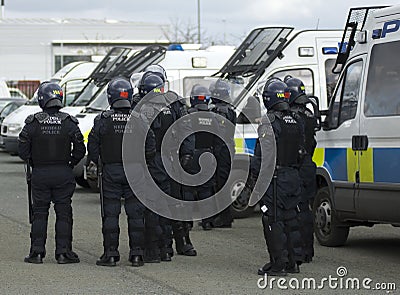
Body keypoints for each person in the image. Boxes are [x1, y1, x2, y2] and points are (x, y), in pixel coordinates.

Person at [87, 77, 156, 267]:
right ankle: (137, 255)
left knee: (110, 214)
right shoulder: (140, 119)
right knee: (136, 215)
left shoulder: (102, 120)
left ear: (110, 96)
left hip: (111, 171)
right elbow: (151, 147)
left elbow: (92, 147)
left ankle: (110, 254)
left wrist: (101, 162)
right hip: (135, 170)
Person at [18, 82, 85, 264]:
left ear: (42, 99)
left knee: (39, 213)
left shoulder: (33, 123)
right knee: (63, 212)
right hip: (63, 172)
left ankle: (37, 253)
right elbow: (80, 148)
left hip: (40, 173)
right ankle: (63, 253)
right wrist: (69, 164)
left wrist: (35, 162)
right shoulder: (68, 122)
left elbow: (22, 150)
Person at [135, 69, 197, 259]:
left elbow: (185, 128)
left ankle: (171, 244)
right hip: (166, 158)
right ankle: (167, 246)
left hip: (162, 159)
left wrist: (186, 152)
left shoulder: (140, 104)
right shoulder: (169, 102)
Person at [251, 79, 304, 276]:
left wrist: (256, 179)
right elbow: (302, 151)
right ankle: (293, 262)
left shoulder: (270, 122)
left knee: (272, 220)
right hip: (292, 176)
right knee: (291, 219)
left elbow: (262, 157)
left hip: (275, 179)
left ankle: (278, 264)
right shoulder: (296, 120)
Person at [285, 76, 318, 263]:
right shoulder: (308, 114)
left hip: (297, 166)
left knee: (295, 211)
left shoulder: (293, 116)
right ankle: (307, 250)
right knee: (305, 209)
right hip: (308, 165)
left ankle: (297, 252)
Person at [185, 84, 222, 230]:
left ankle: (187, 223)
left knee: (188, 189)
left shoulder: (188, 115)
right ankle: (207, 221)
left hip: (192, 155)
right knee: (206, 190)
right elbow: (219, 140)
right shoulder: (214, 117)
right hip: (208, 155)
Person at [209, 79, 236, 228]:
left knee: (220, 184)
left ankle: (224, 217)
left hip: (220, 150)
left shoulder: (218, 112)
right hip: (227, 149)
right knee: (223, 183)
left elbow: (217, 134)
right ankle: (222, 216)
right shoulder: (230, 110)